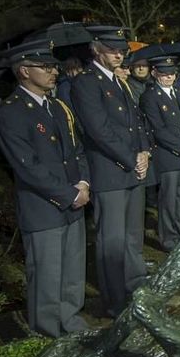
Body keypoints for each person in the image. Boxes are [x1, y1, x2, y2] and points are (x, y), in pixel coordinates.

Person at [0, 42, 91, 337]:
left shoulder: (57, 106)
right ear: (24, 71)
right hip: (44, 206)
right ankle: (47, 332)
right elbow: (28, 167)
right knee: (47, 274)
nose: (53, 72)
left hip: (75, 199)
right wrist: (70, 193)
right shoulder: (11, 112)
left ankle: (70, 320)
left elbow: (77, 150)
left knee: (73, 270)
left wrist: (84, 183)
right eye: (45, 67)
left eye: (53, 67)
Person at [72, 27, 150, 317]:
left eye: (122, 51)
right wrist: (131, 158)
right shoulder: (86, 83)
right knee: (112, 241)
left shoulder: (118, 82)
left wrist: (144, 152)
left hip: (132, 169)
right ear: (96, 50)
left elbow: (136, 122)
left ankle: (135, 289)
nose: (119, 54)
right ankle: (115, 300)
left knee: (132, 237)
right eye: (112, 50)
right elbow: (99, 130)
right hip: (110, 172)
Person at [140, 56, 180, 251]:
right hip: (169, 158)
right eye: (164, 73)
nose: (169, 77)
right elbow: (157, 129)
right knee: (168, 201)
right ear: (155, 73)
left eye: (172, 73)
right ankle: (168, 240)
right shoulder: (149, 97)